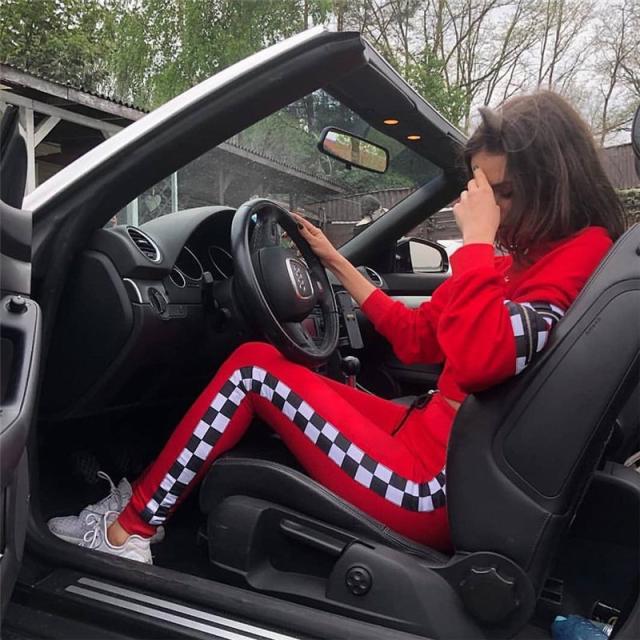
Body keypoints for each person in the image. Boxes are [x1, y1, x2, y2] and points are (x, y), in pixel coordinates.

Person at [48, 91, 626, 564]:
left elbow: (480, 361)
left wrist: (474, 243)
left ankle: (127, 532)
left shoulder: (577, 258)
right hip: (429, 437)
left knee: (252, 372)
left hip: (435, 488)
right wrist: (335, 262)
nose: (494, 210)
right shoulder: (520, 262)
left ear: (552, 179)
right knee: (272, 368)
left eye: (503, 193)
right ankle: (140, 502)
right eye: (485, 194)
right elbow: (416, 337)